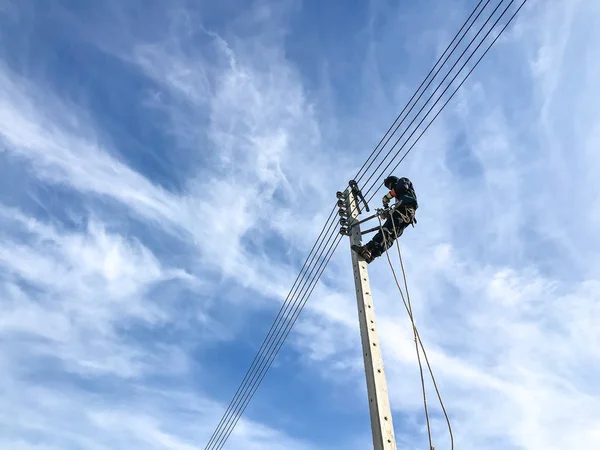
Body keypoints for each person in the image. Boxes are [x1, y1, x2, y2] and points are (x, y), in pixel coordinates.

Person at [351, 175, 418, 263]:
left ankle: (368, 248)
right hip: (407, 215)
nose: (390, 188)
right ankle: (372, 255)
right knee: (390, 237)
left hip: (404, 211)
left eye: (390, 185)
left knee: (386, 230)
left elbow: (402, 187)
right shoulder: (401, 198)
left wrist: (388, 196)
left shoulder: (403, 181)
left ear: (394, 181)